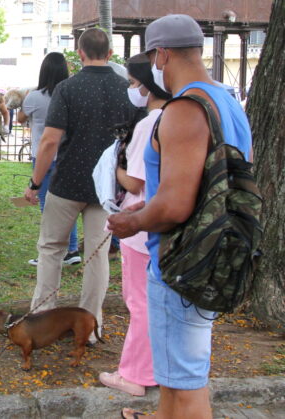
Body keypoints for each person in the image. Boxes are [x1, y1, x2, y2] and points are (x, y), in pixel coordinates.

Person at [108, 15, 253, 419]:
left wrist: (131, 222)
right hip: (212, 250)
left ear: (163, 54)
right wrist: (148, 205)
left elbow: (174, 206)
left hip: (182, 259)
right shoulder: (225, 100)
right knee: (175, 380)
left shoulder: (185, 108)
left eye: (154, 58)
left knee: (187, 387)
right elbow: (212, 182)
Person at [24, 28, 130, 338]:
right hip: (106, 188)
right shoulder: (125, 89)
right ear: (109, 54)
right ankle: (90, 327)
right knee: (97, 255)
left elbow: (49, 141)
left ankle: (43, 320)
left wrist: (34, 183)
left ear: (80, 54)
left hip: (67, 182)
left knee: (51, 249)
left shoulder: (67, 88)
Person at [98, 53, 170, 397]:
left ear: (146, 83)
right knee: (154, 302)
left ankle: (134, 374)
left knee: (138, 303)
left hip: (139, 228)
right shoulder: (176, 117)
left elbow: (135, 183)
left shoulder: (147, 124)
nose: (131, 89)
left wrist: (113, 166)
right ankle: (154, 369)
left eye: (132, 82)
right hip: (163, 223)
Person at [18, 52, 80, 266]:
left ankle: (51, 253)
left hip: (43, 157)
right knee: (69, 205)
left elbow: (20, 118)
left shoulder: (34, 97)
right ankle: (72, 250)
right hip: (68, 157)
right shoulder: (72, 94)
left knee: (48, 207)